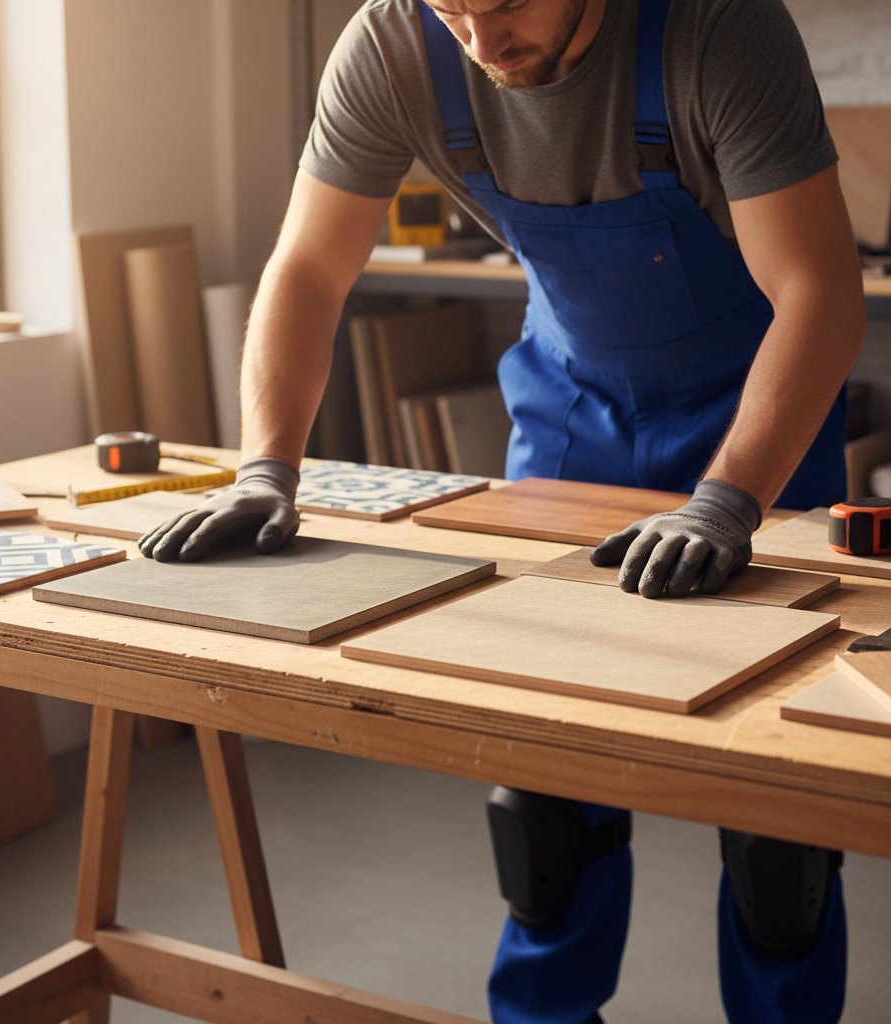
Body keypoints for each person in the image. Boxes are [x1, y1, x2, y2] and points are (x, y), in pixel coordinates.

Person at [139, 1, 867, 1020]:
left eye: (509, 3)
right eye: (453, 10)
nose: (481, 43)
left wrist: (726, 500)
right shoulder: (393, 46)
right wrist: (266, 470)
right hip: (571, 427)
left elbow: (819, 292)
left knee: (776, 822)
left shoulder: (716, 30)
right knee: (545, 799)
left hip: (757, 429)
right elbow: (307, 270)